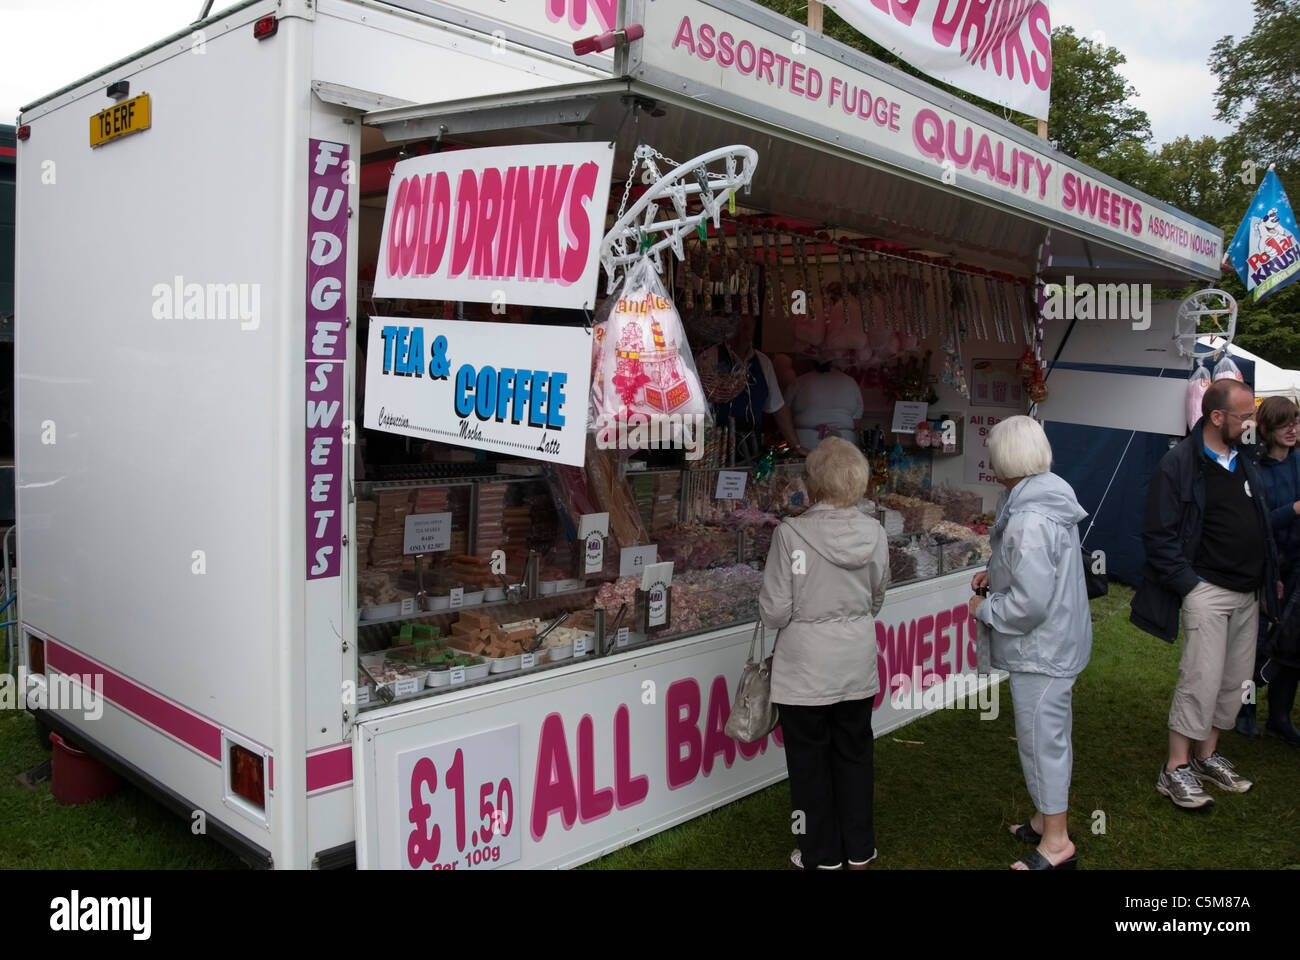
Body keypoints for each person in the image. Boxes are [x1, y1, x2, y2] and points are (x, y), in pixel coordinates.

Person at [1131, 379, 1280, 810]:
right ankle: (1175, 769)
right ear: (1217, 417)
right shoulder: (1179, 463)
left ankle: (1206, 756)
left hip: (1247, 593)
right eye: (1246, 415)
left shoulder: (1246, 458)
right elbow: (1157, 535)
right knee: (1201, 679)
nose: (1253, 422)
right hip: (1207, 590)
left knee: (1233, 683)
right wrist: (1191, 586)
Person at [758, 436, 889, 871]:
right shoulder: (875, 532)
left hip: (805, 668)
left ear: (813, 482)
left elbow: (774, 611)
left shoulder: (790, 534)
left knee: (808, 760)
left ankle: (820, 851)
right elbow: (876, 598)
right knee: (855, 752)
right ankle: (859, 847)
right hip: (855, 660)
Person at [968, 416, 1091, 870]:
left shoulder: (1029, 517)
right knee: (1047, 736)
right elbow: (1037, 571)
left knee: (1041, 741)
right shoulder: (1047, 496)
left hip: (1043, 648)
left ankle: (1056, 843)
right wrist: (995, 571)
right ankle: (1045, 820)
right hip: (1058, 640)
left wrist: (984, 609)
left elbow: (1029, 604)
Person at [1235, 397, 1300, 744]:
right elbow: (1258, 523)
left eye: (1295, 422)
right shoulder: (1254, 469)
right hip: (1265, 568)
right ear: (1267, 429)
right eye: (1283, 424)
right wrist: (1292, 509)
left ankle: (1280, 716)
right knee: (1254, 644)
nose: (1292, 429)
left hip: (1297, 568)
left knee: (1293, 645)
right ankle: (1245, 709)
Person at [699, 314, 808, 461]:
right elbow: (700, 411)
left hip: (753, 447)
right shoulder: (710, 358)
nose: (742, 335)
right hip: (717, 447)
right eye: (737, 329)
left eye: (746, 328)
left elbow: (778, 408)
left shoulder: (763, 363)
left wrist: (796, 446)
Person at [784, 356, 865, 451]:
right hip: (843, 444)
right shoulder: (850, 382)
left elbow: (785, 413)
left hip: (805, 444)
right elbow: (856, 420)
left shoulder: (799, 382)